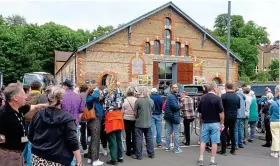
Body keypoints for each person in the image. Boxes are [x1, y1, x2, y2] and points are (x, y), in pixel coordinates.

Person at [28, 86, 82, 166]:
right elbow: (72, 141)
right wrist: (79, 159)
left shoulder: (38, 114)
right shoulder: (67, 118)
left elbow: (31, 135)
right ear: (61, 100)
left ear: (48, 98)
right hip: (58, 159)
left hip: (38, 156)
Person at [0, 82, 48, 166]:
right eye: (23, 94)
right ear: (15, 98)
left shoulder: (20, 108)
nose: (26, 97)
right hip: (8, 156)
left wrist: (48, 105)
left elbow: (35, 107)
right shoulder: (4, 113)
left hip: (17, 154)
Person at [197, 83, 224, 166]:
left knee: (203, 141)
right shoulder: (217, 98)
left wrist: (201, 119)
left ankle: (201, 159)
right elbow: (221, 112)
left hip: (205, 122)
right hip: (215, 122)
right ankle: (212, 160)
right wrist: (222, 123)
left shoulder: (203, 98)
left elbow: (200, 112)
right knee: (214, 142)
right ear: (214, 88)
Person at [23, 81, 47, 166]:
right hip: (36, 123)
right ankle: (30, 162)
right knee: (32, 143)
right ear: (40, 87)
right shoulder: (42, 96)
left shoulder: (25, 96)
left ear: (31, 88)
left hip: (25, 122)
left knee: (26, 141)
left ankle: (25, 159)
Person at [61, 79, 84, 166]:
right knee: (74, 144)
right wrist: (77, 120)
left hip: (62, 124)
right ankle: (73, 162)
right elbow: (81, 111)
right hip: (74, 123)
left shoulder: (61, 96)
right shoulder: (78, 96)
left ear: (65, 86)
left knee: (63, 145)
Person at [103, 78, 125, 165]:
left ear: (108, 82)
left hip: (110, 115)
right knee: (118, 138)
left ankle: (114, 159)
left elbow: (100, 99)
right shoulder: (119, 90)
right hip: (119, 114)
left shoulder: (106, 91)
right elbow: (122, 101)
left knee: (112, 139)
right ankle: (120, 157)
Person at [133, 86, 155, 160]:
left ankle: (139, 155)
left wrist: (136, 117)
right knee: (149, 139)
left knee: (139, 139)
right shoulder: (151, 101)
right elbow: (153, 110)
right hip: (148, 122)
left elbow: (134, 112)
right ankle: (151, 153)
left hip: (139, 123)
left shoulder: (138, 101)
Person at [86, 86, 105, 166]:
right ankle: (95, 160)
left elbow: (101, 100)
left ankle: (90, 158)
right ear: (91, 92)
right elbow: (93, 97)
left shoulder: (95, 99)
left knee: (93, 140)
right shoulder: (90, 98)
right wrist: (96, 91)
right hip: (95, 120)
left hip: (97, 119)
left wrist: (101, 94)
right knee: (95, 140)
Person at [220, 83, 240, 155]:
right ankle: (233, 149)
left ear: (226, 87)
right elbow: (238, 106)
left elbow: (220, 107)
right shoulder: (237, 97)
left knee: (223, 132)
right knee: (232, 132)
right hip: (234, 116)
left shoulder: (223, 96)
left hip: (225, 116)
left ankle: (223, 150)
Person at [164, 84, 183, 153]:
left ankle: (167, 147)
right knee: (176, 133)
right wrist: (181, 105)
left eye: (177, 87)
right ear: (171, 89)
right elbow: (175, 107)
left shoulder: (172, 96)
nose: (177, 89)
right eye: (175, 88)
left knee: (169, 132)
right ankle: (176, 149)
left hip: (170, 116)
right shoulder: (172, 96)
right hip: (174, 117)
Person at [122, 87, 137, 157]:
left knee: (128, 136)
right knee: (134, 135)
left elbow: (122, 111)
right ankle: (134, 150)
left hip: (126, 119)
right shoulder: (136, 100)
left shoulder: (125, 100)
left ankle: (128, 151)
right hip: (134, 119)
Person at [269, 85, 280, 158]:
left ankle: (276, 152)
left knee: (275, 137)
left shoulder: (273, 103)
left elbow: (270, 112)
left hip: (274, 121)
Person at [79, 84, 89, 152]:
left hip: (81, 116)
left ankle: (85, 148)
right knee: (90, 132)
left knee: (82, 133)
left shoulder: (78, 95)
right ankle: (89, 147)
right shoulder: (88, 95)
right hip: (89, 115)